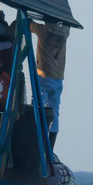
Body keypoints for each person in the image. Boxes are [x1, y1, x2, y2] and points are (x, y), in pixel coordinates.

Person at [30, 17, 70, 147]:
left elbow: (29, 24)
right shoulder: (65, 32)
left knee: (37, 107)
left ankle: (35, 139)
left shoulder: (42, 30)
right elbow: (66, 25)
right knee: (54, 111)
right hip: (58, 77)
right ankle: (50, 147)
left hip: (44, 76)